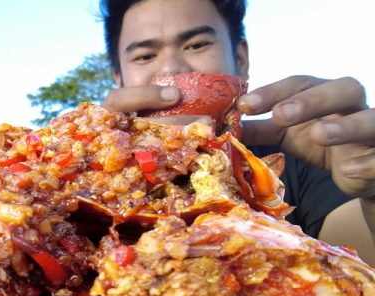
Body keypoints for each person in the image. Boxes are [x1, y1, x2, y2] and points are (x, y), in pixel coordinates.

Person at [99, 0, 375, 264]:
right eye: (145, 56)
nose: (173, 68)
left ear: (241, 60)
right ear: (119, 79)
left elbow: (361, 264)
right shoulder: (87, 187)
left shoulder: (305, 153)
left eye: (196, 45)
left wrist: (370, 185)